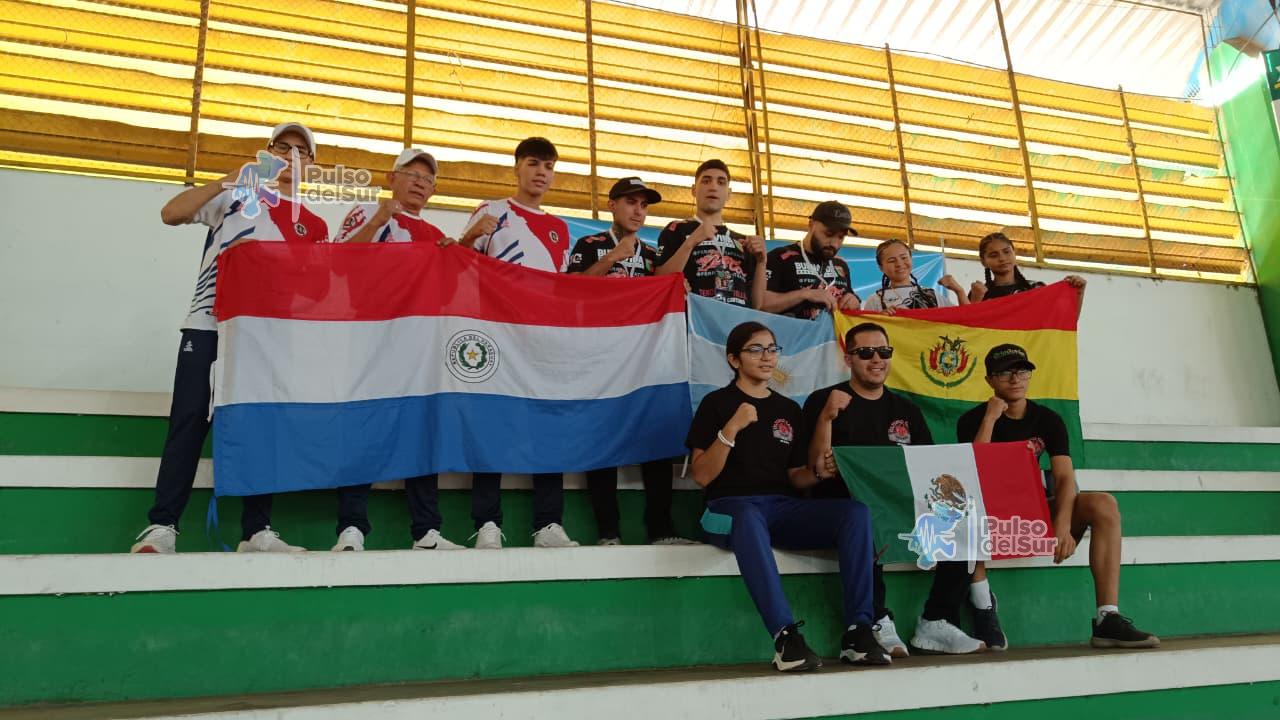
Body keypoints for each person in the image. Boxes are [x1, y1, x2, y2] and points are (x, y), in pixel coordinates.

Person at [131, 122, 328, 554]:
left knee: (262, 428)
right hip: (208, 326)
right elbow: (171, 213)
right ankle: (163, 527)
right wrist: (230, 178)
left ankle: (256, 531)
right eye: (283, 147)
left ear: (312, 165)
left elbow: (317, 292)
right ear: (268, 151)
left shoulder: (314, 224)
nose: (291, 156)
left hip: (267, 339)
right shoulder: (237, 196)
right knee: (188, 422)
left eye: (301, 151)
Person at [688, 321, 890, 672]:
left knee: (854, 513)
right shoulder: (716, 403)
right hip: (726, 509)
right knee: (749, 516)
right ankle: (785, 637)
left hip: (781, 508)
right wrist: (731, 428)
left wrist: (819, 473)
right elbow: (702, 475)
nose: (767, 357)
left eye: (772, 349)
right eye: (756, 349)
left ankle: (859, 630)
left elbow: (796, 476)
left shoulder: (788, 410)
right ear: (734, 359)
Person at [956, 344, 1159, 649]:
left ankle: (1107, 618)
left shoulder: (1048, 419)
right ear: (989, 380)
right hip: (991, 515)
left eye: (1022, 370)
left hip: (1034, 513)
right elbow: (973, 470)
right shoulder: (972, 420)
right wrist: (990, 419)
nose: (1015, 378)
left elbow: (1064, 477)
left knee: (1103, 503)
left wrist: (1062, 527)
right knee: (960, 510)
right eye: (1005, 373)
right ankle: (983, 605)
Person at [805, 322, 988, 655]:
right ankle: (876, 618)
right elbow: (812, 466)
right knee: (864, 516)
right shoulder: (825, 400)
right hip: (844, 506)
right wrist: (827, 418)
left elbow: (929, 472)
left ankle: (936, 620)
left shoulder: (907, 411)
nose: (877, 359)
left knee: (966, 514)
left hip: (902, 505)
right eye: (865, 353)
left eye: (884, 351)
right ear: (848, 359)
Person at [330, 147, 463, 552]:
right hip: (370, 338)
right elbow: (336, 263)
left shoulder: (434, 235)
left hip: (417, 346)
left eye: (428, 179)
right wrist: (378, 220)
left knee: (422, 432)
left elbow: (446, 298)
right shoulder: (367, 212)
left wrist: (455, 259)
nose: (420, 183)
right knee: (364, 427)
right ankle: (351, 527)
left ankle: (426, 531)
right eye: (412, 174)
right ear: (392, 178)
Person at [457, 136, 578, 549]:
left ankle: (549, 524)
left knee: (547, 426)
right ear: (517, 168)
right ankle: (487, 523)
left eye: (549, 166)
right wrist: (470, 237)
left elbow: (562, 289)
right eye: (533, 163)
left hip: (544, 342)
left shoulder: (560, 228)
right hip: (496, 337)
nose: (541, 172)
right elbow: (458, 267)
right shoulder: (492, 211)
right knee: (492, 426)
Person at [566, 176, 694, 546]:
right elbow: (571, 291)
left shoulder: (653, 256)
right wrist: (611, 259)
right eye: (630, 203)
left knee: (656, 438)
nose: (638, 211)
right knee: (602, 440)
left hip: (644, 362)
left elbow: (668, 299)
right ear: (612, 205)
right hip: (599, 359)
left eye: (643, 205)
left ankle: (661, 530)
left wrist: (678, 289)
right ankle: (608, 532)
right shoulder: (590, 245)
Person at [655, 159, 767, 308]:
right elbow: (659, 281)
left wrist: (761, 262)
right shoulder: (676, 229)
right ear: (694, 190)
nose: (713, 187)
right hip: (694, 319)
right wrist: (691, 241)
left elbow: (758, 305)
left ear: (729, 194)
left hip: (736, 320)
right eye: (706, 181)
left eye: (721, 182)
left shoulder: (744, 242)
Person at [761, 200, 861, 319]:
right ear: (811, 224)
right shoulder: (780, 257)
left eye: (841, 237)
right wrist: (804, 294)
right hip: (790, 330)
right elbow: (761, 303)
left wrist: (854, 301)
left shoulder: (841, 265)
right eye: (829, 234)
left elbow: (851, 298)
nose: (834, 244)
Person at [966, 232, 1087, 315]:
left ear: (1014, 253)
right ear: (984, 262)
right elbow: (967, 332)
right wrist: (976, 301)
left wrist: (1079, 292)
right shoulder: (978, 293)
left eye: (1006, 252)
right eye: (994, 255)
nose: (1002, 258)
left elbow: (1063, 322)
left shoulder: (1036, 289)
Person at [861, 239, 967, 313]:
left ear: (911, 259)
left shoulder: (931, 295)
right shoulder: (875, 301)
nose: (899, 264)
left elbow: (965, 318)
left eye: (904, 258)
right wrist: (881, 320)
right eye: (892, 260)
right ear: (881, 267)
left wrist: (959, 291)